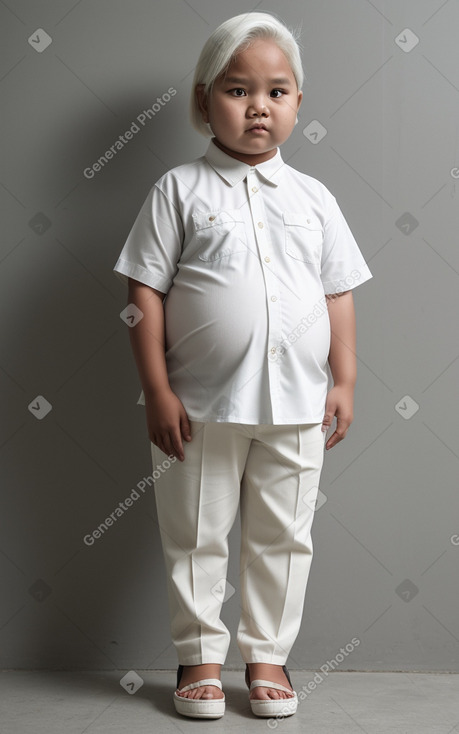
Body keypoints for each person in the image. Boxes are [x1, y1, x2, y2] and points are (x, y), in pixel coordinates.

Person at [113, 10, 372, 720]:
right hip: (198, 406)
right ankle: (198, 656)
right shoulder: (178, 190)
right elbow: (143, 291)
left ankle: (266, 658)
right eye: (236, 90)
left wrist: (344, 380)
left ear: (295, 104)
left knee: (283, 536)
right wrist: (157, 390)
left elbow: (337, 292)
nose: (257, 106)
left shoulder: (314, 199)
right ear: (203, 102)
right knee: (194, 533)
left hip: (296, 403)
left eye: (276, 91)